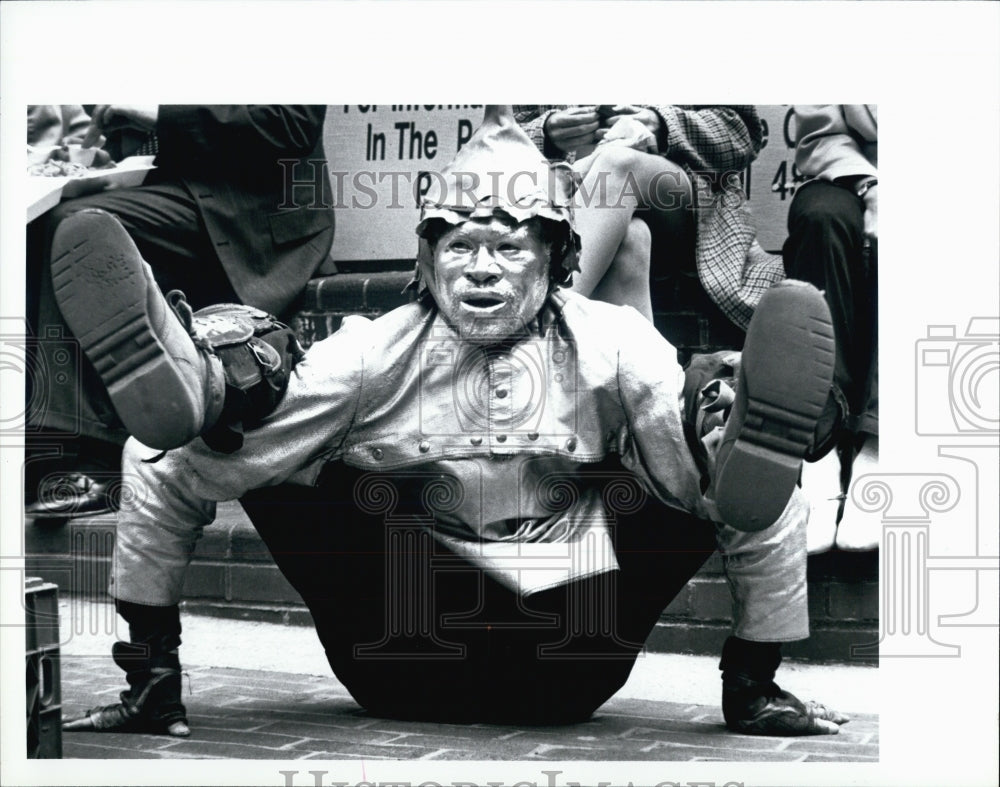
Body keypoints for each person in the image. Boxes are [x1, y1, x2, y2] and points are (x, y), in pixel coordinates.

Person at [57, 107, 846, 737]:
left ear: (557, 258)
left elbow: (732, 497)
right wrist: (150, 673)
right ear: (427, 262)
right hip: (399, 652)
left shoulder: (615, 343)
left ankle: (753, 677)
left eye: (506, 248)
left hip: (566, 656)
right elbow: (173, 470)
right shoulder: (373, 350)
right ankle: (220, 374)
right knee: (193, 437)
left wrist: (712, 454)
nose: (478, 268)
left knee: (738, 472)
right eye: (461, 246)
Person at [24, 105, 336, 519]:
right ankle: (44, 445)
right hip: (165, 194)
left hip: (249, 214)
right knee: (35, 224)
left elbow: (290, 125)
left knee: (76, 229)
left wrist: (151, 111)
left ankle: (92, 456)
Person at [516, 105, 782, 333]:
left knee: (617, 165)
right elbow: (499, 136)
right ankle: (647, 387)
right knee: (633, 237)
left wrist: (662, 125)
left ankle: (542, 329)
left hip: (677, 202)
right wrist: (546, 133)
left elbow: (740, 133)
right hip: (564, 201)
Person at [783, 105, 878, 553]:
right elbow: (820, 135)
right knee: (819, 219)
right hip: (847, 172)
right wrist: (871, 186)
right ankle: (820, 446)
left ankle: (878, 449)